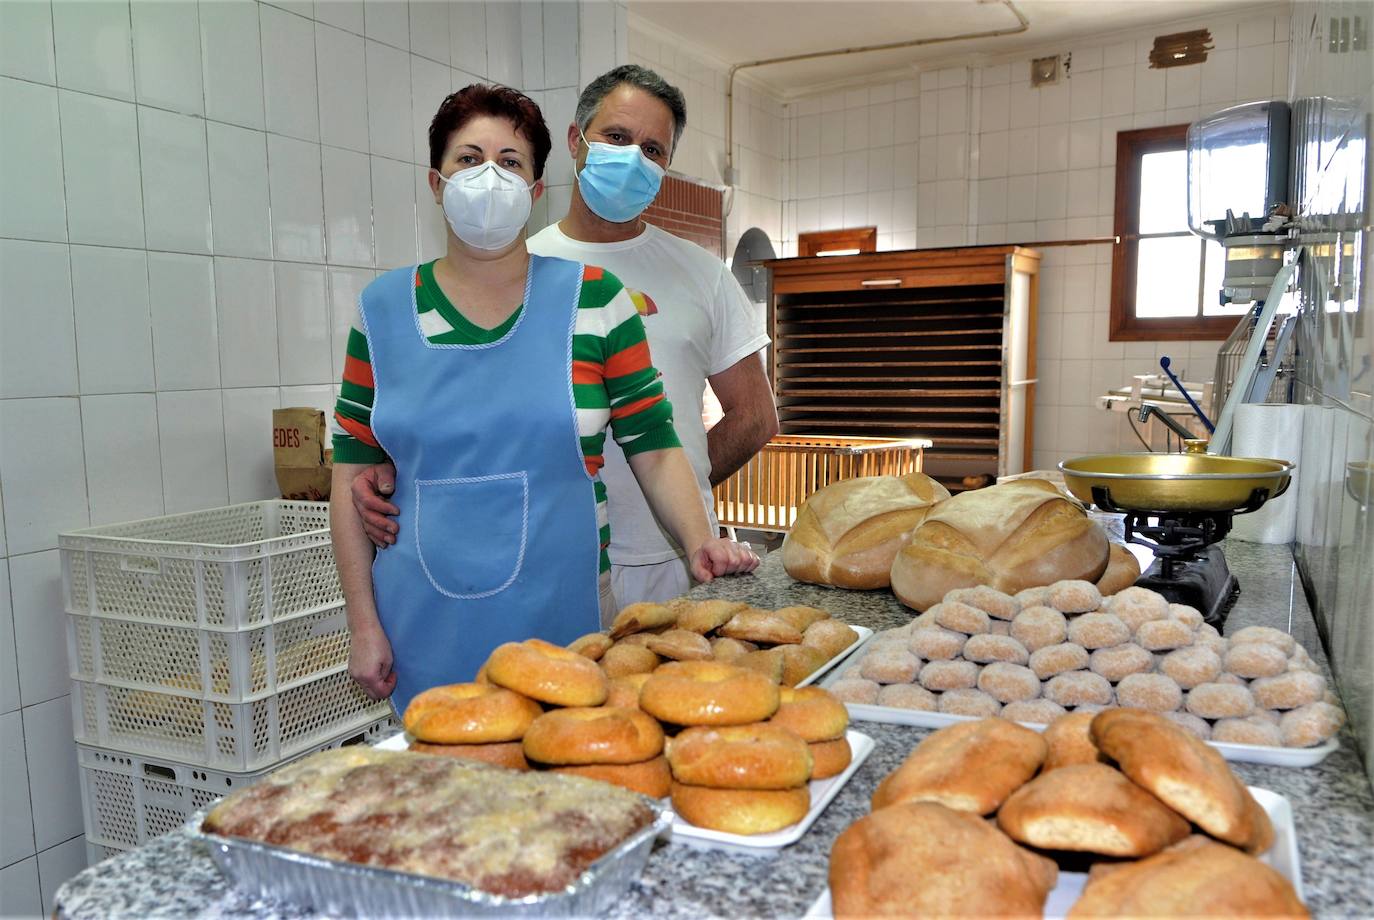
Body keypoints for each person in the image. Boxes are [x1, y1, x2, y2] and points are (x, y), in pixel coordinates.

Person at [330, 84, 758, 713]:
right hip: (418, 622)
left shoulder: (597, 300)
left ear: (534, 191)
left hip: (568, 614)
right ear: (435, 181)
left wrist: (701, 541)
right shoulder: (383, 312)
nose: (488, 176)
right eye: (468, 158)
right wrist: (362, 625)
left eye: (510, 162)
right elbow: (351, 478)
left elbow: (656, 446)